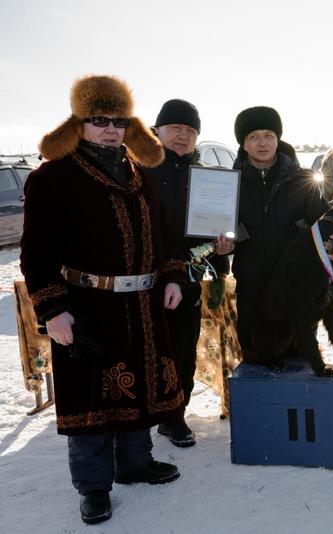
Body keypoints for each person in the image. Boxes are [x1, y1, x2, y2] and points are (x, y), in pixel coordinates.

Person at [20, 75, 185, 524]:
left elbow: (163, 232)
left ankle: (135, 463)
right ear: (79, 123)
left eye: (119, 121)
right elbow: (36, 253)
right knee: (92, 399)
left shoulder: (139, 173)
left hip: (143, 303)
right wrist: (53, 309)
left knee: (140, 386)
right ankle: (93, 485)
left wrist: (172, 276)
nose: (111, 129)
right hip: (88, 304)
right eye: (100, 120)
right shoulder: (52, 177)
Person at [145, 99, 234, 447]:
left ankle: (174, 416)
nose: (183, 135)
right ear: (158, 131)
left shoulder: (208, 177)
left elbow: (218, 230)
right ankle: (138, 420)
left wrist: (223, 251)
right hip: (144, 277)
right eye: (175, 128)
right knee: (145, 350)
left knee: (183, 349)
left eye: (190, 130)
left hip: (190, 275)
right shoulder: (138, 170)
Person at [229, 106, 329, 352]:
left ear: (278, 139)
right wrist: (224, 244)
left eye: (268, 135)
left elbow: (324, 223)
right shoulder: (230, 183)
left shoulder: (303, 180)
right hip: (251, 287)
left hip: (295, 287)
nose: (262, 142)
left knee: (300, 355)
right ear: (243, 144)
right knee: (255, 355)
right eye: (253, 136)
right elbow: (220, 229)